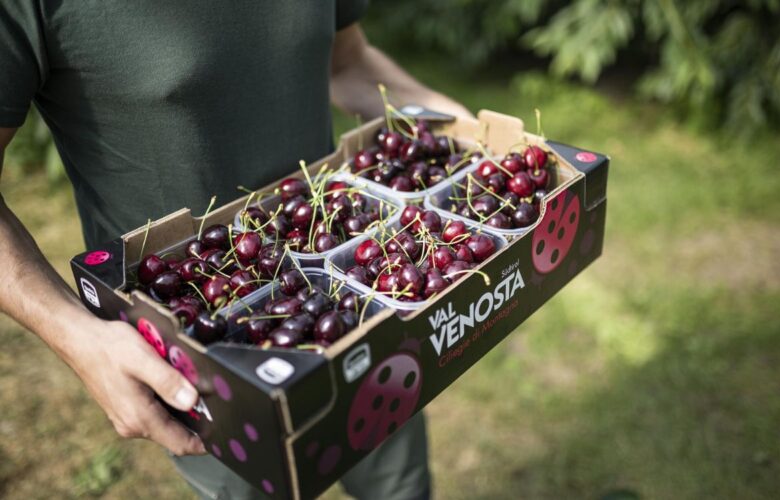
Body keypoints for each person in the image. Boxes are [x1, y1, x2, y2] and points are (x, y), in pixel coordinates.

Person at [0, 2, 471, 498]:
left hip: (356, 285)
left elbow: (349, 62)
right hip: (202, 349)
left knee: (397, 483)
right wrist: (80, 339)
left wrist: (473, 134)